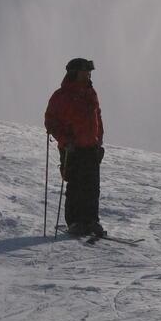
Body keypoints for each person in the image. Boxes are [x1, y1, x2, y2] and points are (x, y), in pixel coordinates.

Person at [45, 57, 106, 238]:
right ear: (75, 73)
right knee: (76, 185)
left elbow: (98, 116)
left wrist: (99, 139)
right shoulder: (61, 96)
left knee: (92, 186)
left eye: (89, 72)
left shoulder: (90, 93)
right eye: (85, 71)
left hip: (90, 147)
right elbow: (51, 122)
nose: (88, 75)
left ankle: (91, 221)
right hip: (72, 148)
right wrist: (65, 139)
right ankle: (75, 223)